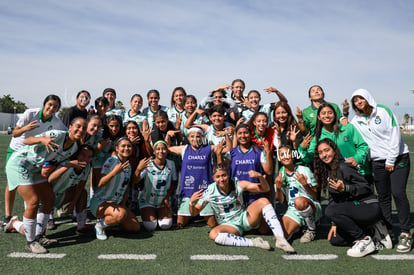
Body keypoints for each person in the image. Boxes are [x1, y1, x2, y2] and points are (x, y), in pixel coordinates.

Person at [5, 117, 86, 253]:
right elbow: (26, 140)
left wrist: (51, 167)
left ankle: (39, 235)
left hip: (36, 169)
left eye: (83, 128)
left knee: (49, 199)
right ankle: (30, 242)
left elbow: (54, 161)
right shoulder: (57, 134)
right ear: (70, 127)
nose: (81, 130)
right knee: (33, 201)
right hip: (20, 163)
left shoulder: (74, 148)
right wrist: (42, 139)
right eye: (78, 126)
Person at [350, 88, 412, 253]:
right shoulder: (356, 120)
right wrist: (343, 117)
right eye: (355, 100)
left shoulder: (383, 111)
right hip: (377, 162)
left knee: (398, 193)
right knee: (383, 197)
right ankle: (388, 232)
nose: (358, 102)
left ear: (367, 98)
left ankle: (405, 233)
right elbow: (348, 131)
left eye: (360, 98)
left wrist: (391, 159)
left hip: (398, 158)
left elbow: (395, 134)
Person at [189, 166, 295, 253]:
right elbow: (194, 213)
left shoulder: (237, 184)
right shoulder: (210, 191)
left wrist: (260, 177)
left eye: (224, 175)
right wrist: (191, 203)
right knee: (213, 234)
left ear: (228, 175)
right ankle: (254, 242)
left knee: (263, 201)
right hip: (229, 225)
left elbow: (265, 189)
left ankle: (281, 239)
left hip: (244, 218)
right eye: (218, 177)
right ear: (213, 178)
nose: (221, 179)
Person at [313, 138, 392, 257]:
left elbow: (366, 187)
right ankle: (374, 232)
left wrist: (345, 188)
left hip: (369, 207)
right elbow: (334, 199)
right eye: (321, 152)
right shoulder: (328, 171)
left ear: (334, 150)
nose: (324, 155)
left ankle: (364, 240)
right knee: (336, 239)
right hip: (354, 209)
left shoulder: (344, 166)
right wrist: (335, 223)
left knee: (330, 210)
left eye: (327, 150)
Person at [2, 95, 67, 232]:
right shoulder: (30, 113)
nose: (52, 108)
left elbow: (68, 133)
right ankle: (8, 216)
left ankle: (34, 216)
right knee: (11, 184)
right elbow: (15, 133)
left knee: (33, 185)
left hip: (32, 153)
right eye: (50, 105)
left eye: (55, 107)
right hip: (16, 150)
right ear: (44, 104)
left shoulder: (56, 121)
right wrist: (26, 128)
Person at [169, 127, 229, 228]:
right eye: (192, 136)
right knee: (180, 223)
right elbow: (167, 149)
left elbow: (228, 149)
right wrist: (167, 136)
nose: (195, 139)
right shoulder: (184, 149)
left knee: (212, 224)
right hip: (188, 191)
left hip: (205, 191)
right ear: (188, 137)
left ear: (203, 137)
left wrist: (227, 136)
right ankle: (194, 213)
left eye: (198, 136)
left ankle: (200, 212)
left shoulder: (209, 148)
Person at [299, 103, 371, 183]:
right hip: (335, 177)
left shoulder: (347, 127)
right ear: (319, 117)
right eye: (323, 113)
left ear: (335, 114)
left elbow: (363, 146)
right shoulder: (318, 137)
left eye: (330, 113)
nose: (327, 116)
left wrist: (356, 158)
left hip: (358, 172)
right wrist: (302, 149)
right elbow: (309, 158)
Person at [90, 137, 141, 240]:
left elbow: (125, 188)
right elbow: (100, 183)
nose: (126, 148)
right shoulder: (111, 160)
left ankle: (112, 220)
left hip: (116, 204)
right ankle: (99, 225)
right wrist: (114, 172)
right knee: (121, 214)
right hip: (100, 202)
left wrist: (123, 205)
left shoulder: (128, 165)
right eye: (123, 146)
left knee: (135, 227)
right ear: (117, 148)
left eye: (129, 146)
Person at [275, 145, 321, 243]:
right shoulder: (281, 174)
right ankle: (299, 226)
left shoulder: (304, 170)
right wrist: (278, 188)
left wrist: (305, 184)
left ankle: (311, 229)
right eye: (282, 154)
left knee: (299, 201)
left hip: (309, 206)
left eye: (288, 153)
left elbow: (315, 195)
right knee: (278, 236)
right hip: (293, 210)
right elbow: (281, 200)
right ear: (279, 158)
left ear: (293, 155)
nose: (285, 156)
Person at [47, 144, 94, 233]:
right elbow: (50, 179)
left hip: (61, 197)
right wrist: (68, 166)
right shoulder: (67, 163)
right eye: (83, 155)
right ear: (77, 154)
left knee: (82, 193)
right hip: (47, 198)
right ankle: (48, 217)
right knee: (37, 230)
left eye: (89, 157)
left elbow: (81, 186)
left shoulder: (87, 167)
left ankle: (81, 225)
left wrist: (73, 204)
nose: (86, 159)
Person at [135, 141, 177, 231]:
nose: (161, 151)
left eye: (163, 149)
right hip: (147, 200)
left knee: (165, 225)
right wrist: (138, 169)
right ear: (154, 152)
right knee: (150, 226)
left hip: (163, 200)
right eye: (158, 149)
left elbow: (174, 182)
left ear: (167, 150)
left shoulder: (171, 164)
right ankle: (149, 211)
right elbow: (135, 180)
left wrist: (167, 197)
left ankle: (159, 212)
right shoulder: (148, 164)